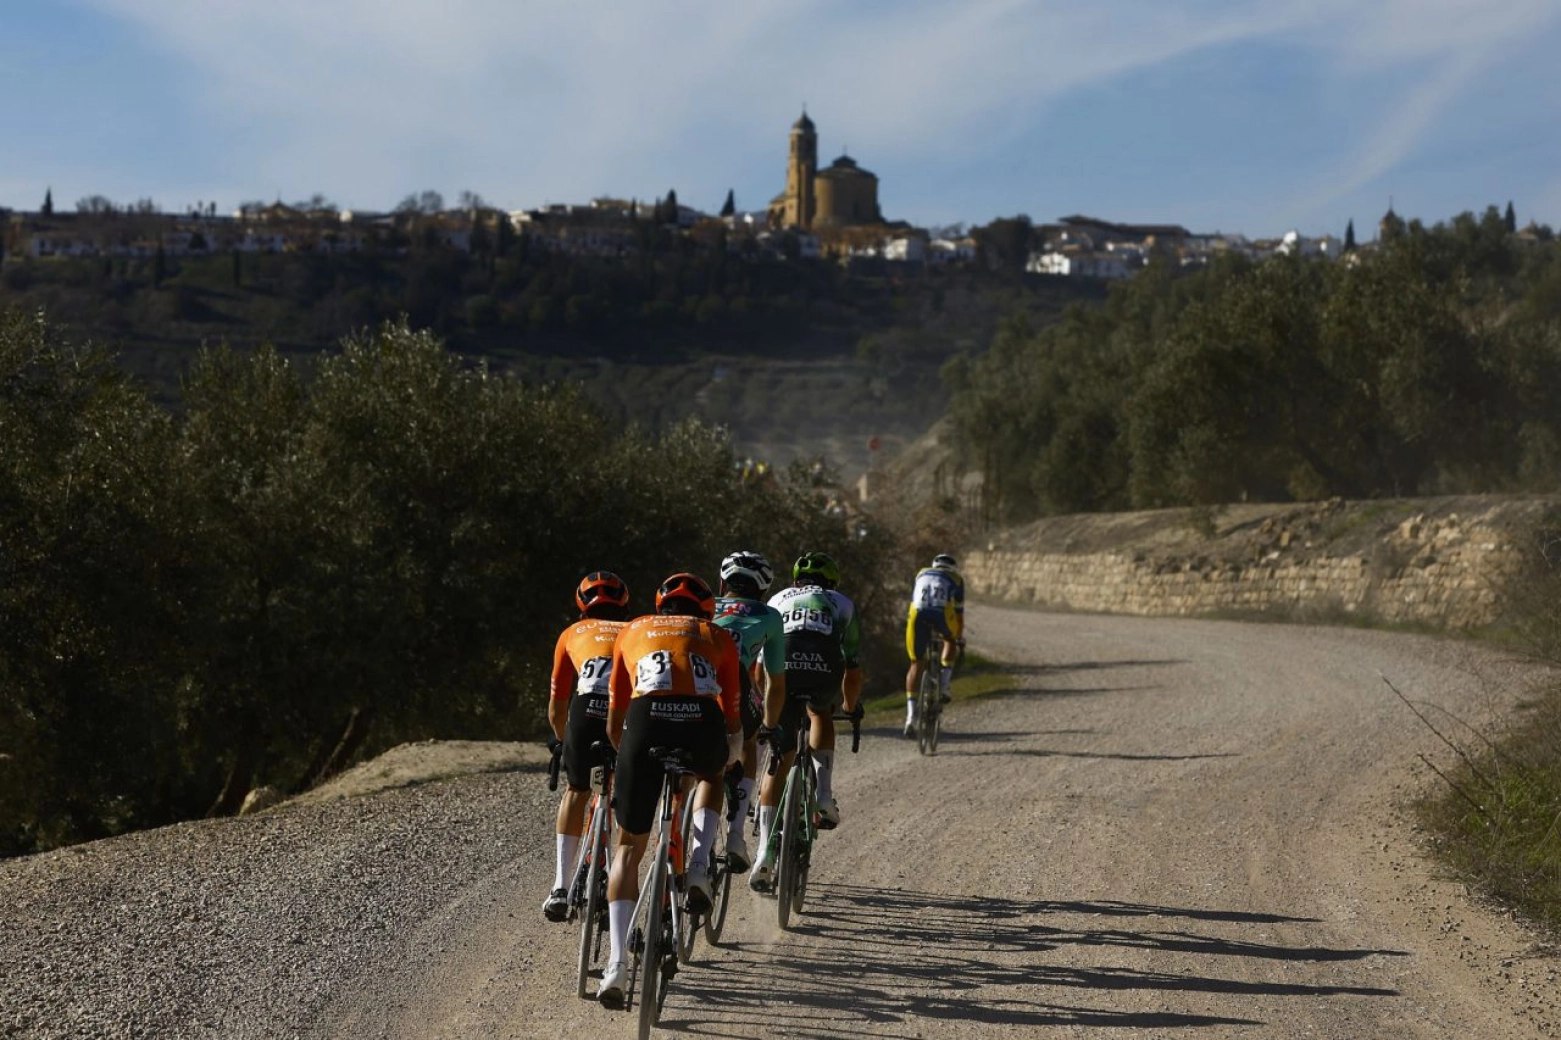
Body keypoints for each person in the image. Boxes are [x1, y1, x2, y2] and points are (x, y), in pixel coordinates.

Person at [596, 572, 742, 1006]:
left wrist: (630, 759)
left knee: (627, 850)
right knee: (713, 775)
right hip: (701, 724)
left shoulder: (633, 629)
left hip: (644, 724)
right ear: (705, 610)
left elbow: (615, 713)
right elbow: (732, 713)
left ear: (660, 606)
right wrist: (730, 753)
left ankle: (617, 965)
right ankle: (698, 864)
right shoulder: (716, 634)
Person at [750, 551, 862, 892]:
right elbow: (853, 665)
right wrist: (849, 705)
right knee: (819, 711)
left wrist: (765, 702)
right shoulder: (842, 602)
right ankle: (824, 795)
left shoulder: (778, 598)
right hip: (823, 660)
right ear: (833, 581)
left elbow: (759, 667)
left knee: (779, 761)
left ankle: (762, 856)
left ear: (796, 580)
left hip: (785, 658)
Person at [542, 571, 632, 922]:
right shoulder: (635, 629)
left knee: (577, 790)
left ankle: (560, 887)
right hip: (624, 711)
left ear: (581, 605)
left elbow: (556, 707)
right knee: (628, 795)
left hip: (585, 708)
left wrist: (564, 741)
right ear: (623, 606)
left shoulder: (571, 634)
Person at [711, 550, 788, 875]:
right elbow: (774, 681)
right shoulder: (769, 615)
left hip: (693, 686)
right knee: (749, 741)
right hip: (737, 690)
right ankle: (735, 835)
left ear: (723, 581)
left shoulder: (706, 605)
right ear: (763, 589)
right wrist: (769, 724)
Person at [904, 553, 965, 738]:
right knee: (950, 640)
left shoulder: (921, 573)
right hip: (940, 614)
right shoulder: (956, 579)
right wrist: (958, 636)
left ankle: (910, 717)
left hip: (917, 614)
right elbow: (959, 613)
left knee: (916, 663)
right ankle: (945, 685)